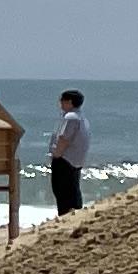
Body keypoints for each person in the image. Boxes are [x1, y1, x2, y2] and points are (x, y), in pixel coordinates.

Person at [47, 90, 88, 219]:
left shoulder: (71, 117)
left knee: (62, 191)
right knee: (73, 190)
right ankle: (74, 215)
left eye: (62, 100)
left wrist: (56, 154)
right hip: (76, 161)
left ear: (69, 102)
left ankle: (65, 216)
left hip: (65, 160)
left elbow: (64, 138)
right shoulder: (81, 118)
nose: (60, 104)